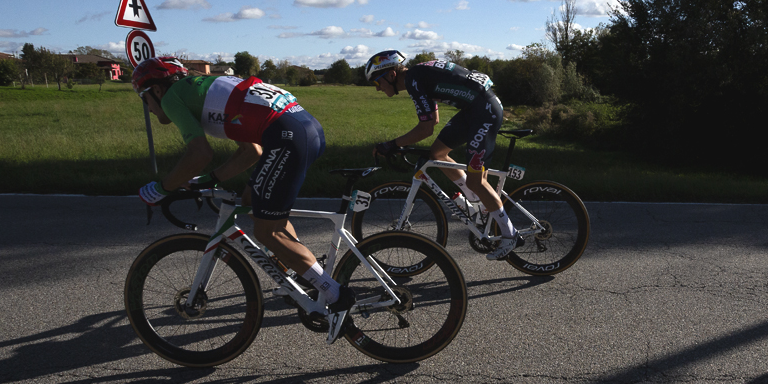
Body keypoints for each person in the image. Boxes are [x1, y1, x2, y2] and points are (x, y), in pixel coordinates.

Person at [131, 56, 354, 338]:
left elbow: (199, 153)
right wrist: (210, 180)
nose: (148, 109)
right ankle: (301, 271)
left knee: (266, 231)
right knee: (252, 200)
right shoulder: (208, 90)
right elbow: (251, 152)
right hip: (303, 129)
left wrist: (162, 189)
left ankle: (334, 294)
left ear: (157, 90)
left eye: (144, 98)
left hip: (287, 137)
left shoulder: (175, 95)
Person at [364, 50, 521, 260]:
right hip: (474, 110)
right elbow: (433, 119)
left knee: (477, 181)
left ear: (391, 74)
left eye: (377, 82)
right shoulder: (418, 76)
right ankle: (478, 205)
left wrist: (391, 144)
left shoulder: (414, 79)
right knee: (437, 154)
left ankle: (510, 235)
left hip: (484, 112)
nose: (377, 89)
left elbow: (426, 128)